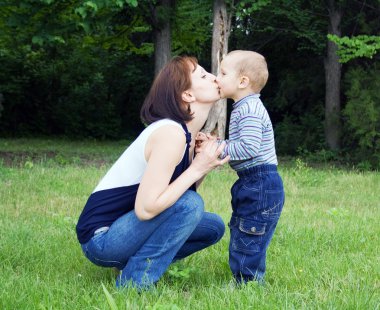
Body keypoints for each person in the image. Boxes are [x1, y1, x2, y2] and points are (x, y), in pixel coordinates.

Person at [76, 56, 230, 290]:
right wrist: (198, 167)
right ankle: (134, 283)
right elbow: (147, 208)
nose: (214, 76)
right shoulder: (170, 133)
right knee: (191, 204)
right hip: (101, 239)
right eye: (203, 75)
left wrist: (201, 165)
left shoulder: (186, 136)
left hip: (127, 228)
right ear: (187, 95)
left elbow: (176, 198)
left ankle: (131, 265)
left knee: (212, 227)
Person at [196, 50, 285, 284]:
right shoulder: (244, 107)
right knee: (243, 229)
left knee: (250, 234)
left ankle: (248, 284)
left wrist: (218, 148)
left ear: (242, 81)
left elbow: (249, 148)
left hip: (260, 183)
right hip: (253, 182)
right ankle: (245, 278)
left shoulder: (249, 110)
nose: (217, 77)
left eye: (223, 73)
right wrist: (217, 143)